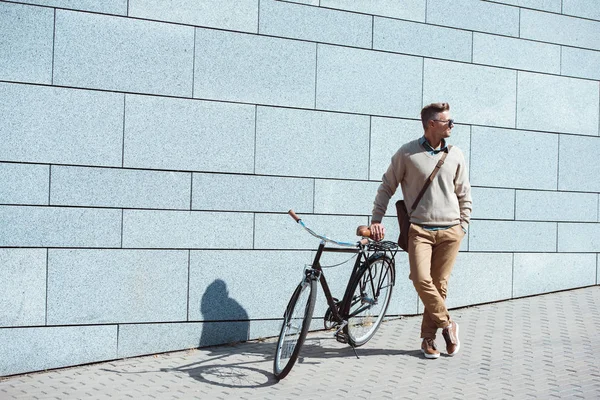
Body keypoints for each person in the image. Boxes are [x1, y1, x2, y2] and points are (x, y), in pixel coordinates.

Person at [369, 102, 472, 359]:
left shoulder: (456, 154)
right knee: (419, 278)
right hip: (420, 231)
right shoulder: (407, 154)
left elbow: (464, 193)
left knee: (439, 285)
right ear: (431, 125)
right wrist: (376, 220)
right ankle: (448, 325)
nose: (452, 125)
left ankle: (428, 339)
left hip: (451, 232)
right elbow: (386, 187)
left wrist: (463, 225)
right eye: (447, 121)